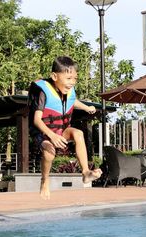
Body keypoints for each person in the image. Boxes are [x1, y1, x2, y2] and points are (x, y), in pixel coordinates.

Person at [28, 56, 102, 200]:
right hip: (42, 132)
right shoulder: (42, 91)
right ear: (54, 76)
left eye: (75, 78)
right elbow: (36, 120)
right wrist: (52, 136)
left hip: (60, 130)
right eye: (68, 78)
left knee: (78, 133)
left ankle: (86, 172)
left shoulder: (68, 91)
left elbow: (72, 101)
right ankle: (45, 180)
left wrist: (87, 108)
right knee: (50, 152)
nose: (72, 82)